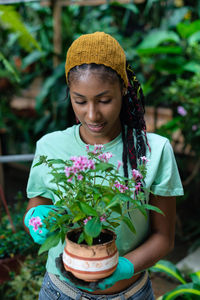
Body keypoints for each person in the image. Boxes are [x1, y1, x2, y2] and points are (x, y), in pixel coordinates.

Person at [24, 32, 184, 300]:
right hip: (60, 292)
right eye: (80, 101)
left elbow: (163, 238)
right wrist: (35, 219)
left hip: (131, 293)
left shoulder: (155, 151)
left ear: (123, 89)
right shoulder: (49, 147)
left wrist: (123, 266)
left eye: (104, 100)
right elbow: (38, 199)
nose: (92, 114)